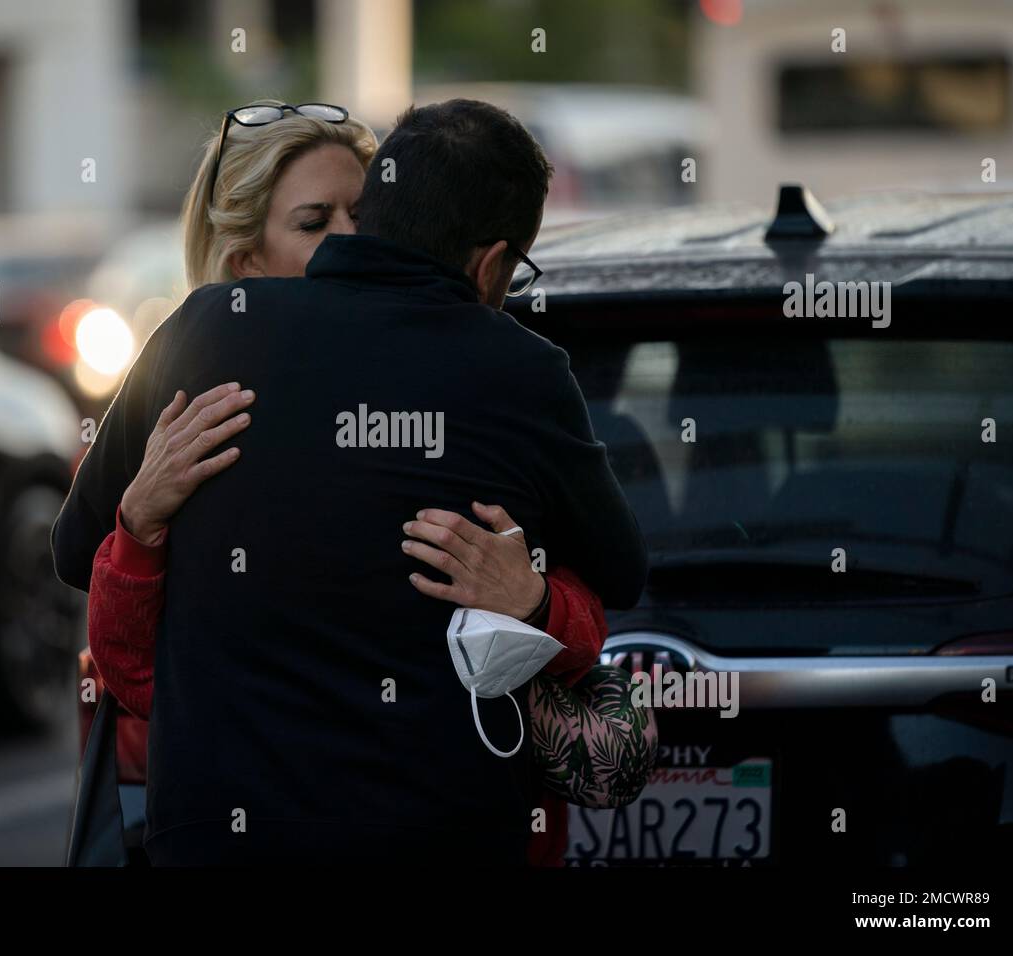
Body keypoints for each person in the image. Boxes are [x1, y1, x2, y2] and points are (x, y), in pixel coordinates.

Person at [53, 98, 649, 865]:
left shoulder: (204, 331)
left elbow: (75, 551)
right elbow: (622, 572)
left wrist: (136, 519)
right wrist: (532, 595)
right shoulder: (520, 369)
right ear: (492, 264)